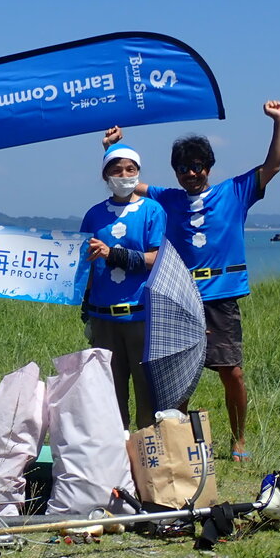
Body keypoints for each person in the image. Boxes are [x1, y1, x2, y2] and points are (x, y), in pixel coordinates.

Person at [105, 100, 280, 460]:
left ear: (208, 166)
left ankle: (238, 441)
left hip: (221, 297)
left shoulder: (234, 192)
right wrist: (114, 148)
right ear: (175, 172)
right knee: (178, 375)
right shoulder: (168, 199)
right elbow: (127, 182)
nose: (191, 173)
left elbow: (274, 165)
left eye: (197, 166)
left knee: (232, 373)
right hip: (180, 298)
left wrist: (279, 122)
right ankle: (178, 442)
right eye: (183, 168)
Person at [81, 142, 165, 430]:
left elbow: (157, 259)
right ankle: (115, 447)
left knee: (147, 391)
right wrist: (85, 307)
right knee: (108, 393)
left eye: (131, 169)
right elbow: (83, 265)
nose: (124, 175)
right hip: (103, 318)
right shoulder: (94, 215)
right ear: (106, 175)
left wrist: (114, 254)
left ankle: (146, 447)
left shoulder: (152, 211)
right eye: (117, 170)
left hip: (141, 316)